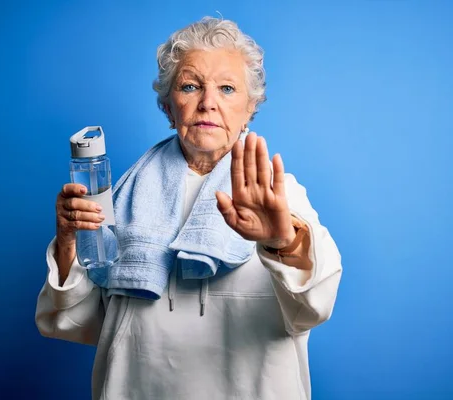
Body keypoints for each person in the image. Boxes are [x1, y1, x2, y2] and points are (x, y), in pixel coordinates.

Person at [35, 16, 342, 400]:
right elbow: (75, 321)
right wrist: (68, 242)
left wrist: (284, 241)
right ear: (168, 106)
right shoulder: (123, 197)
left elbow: (314, 307)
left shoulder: (277, 195)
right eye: (190, 86)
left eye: (227, 88)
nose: (208, 103)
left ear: (250, 108)